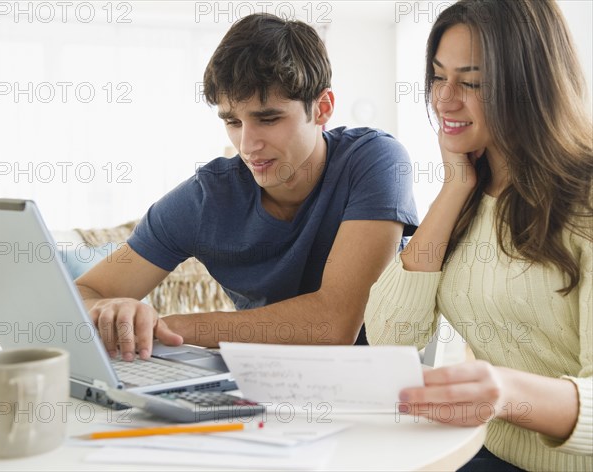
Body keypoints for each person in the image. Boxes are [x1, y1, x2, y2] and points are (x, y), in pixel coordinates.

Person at [76, 13, 418, 360]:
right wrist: (112, 312)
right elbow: (85, 292)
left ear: (322, 108)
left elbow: (333, 325)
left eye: (268, 118)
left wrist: (164, 327)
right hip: (258, 380)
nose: (247, 144)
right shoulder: (205, 200)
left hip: (373, 384)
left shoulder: (375, 160)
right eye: (233, 122)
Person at [364, 0, 592, 470]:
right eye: (437, 76)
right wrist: (453, 188)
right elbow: (390, 339)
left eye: (471, 83)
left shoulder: (583, 199)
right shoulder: (470, 189)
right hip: (483, 451)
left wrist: (506, 392)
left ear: (531, 87)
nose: (445, 100)